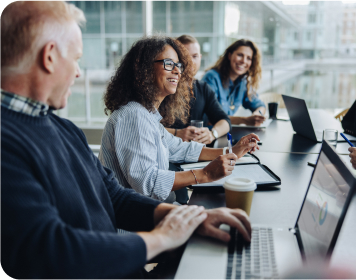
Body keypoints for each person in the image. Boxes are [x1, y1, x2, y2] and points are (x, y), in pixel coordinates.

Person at [1, 2, 252, 278]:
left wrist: (188, 218)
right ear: (49, 56)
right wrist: (163, 238)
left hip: (121, 260)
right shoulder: (6, 142)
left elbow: (114, 196)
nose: (78, 73)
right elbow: (48, 250)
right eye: (76, 59)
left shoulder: (63, 129)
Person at [99, 36, 260, 203]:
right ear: (143, 69)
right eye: (168, 64)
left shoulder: (147, 114)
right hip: (135, 225)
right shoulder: (133, 116)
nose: (177, 71)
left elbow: (181, 149)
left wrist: (232, 151)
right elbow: (148, 183)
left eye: (178, 65)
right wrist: (206, 174)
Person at [165, 35, 231, 145]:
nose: (190, 61)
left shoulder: (203, 88)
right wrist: (177, 133)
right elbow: (146, 126)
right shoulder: (165, 87)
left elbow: (225, 121)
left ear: (200, 58)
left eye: (194, 56)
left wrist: (212, 133)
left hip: (194, 154)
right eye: (184, 56)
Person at [202, 39, 266, 126]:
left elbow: (260, 105)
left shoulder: (243, 82)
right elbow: (210, 118)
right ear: (229, 56)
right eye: (240, 55)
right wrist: (245, 120)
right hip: (209, 134)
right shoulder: (212, 78)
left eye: (248, 58)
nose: (244, 61)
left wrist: (258, 114)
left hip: (227, 133)